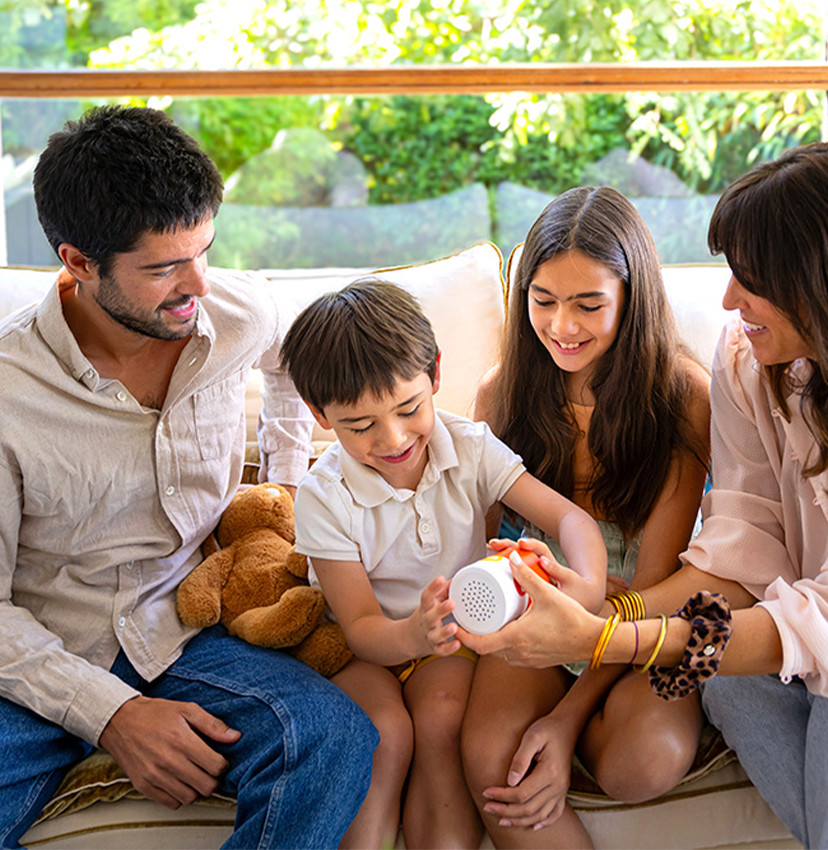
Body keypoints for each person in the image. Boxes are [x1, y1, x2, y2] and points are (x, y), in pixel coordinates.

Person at [0, 105, 377, 849]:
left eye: (203, 250)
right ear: (79, 263)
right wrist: (112, 714)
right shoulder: (10, 393)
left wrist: (285, 483)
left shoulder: (235, 310)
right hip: (46, 650)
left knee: (331, 738)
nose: (197, 283)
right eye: (163, 268)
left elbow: (289, 361)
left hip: (186, 626)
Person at [462, 142, 828, 850]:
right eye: (545, 302)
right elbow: (741, 554)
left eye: (751, 281)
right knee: (728, 685)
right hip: (757, 628)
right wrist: (606, 618)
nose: (727, 300)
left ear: (824, 285)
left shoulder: (678, 394)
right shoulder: (747, 359)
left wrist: (604, 634)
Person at [280, 277, 608, 849]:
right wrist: (412, 632)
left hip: (447, 642)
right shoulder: (323, 496)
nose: (392, 438)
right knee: (381, 735)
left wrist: (587, 589)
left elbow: (571, 521)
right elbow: (359, 628)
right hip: (365, 648)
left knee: (443, 717)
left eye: (408, 409)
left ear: (434, 375)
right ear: (320, 414)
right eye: (361, 426)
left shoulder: (470, 446)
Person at [460, 185, 712, 847]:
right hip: (540, 595)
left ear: (632, 297)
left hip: (645, 606)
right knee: (492, 762)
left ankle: (584, 728)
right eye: (543, 301)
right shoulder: (502, 391)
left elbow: (652, 587)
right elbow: (479, 543)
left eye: (588, 305)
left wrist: (565, 721)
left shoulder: (684, 397)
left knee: (643, 762)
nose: (562, 327)